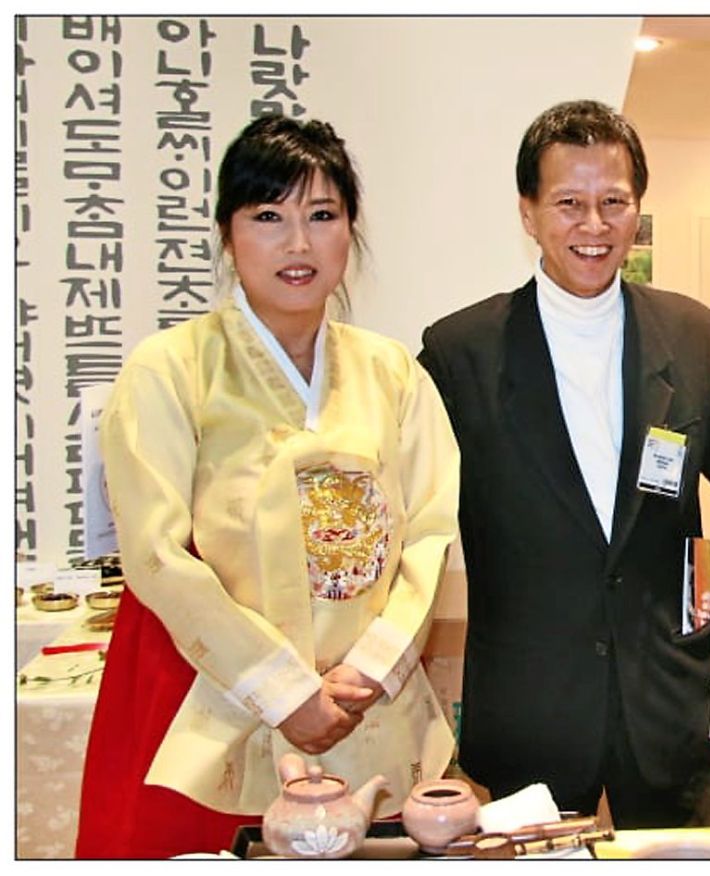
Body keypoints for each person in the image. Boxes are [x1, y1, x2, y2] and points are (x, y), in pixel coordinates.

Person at [76, 116, 459, 858]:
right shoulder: (171, 368)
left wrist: (369, 670)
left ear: (351, 229)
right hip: (207, 695)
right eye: (268, 217)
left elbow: (430, 530)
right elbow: (157, 554)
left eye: (322, 216)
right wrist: (285, 691)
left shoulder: (393, 373)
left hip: (364, 704)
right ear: (227, 234)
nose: (298, 244)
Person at [418, 100, 710, 829]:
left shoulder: (690, 333)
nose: (594, 226)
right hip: (530, 703)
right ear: (528, 211)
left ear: (639, 207)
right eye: (569, 204)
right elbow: (406, 502)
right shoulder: (461, 352)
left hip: (668, 699)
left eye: (614, 202)